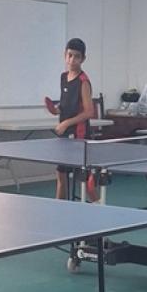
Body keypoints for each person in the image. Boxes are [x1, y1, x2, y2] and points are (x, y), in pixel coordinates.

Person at [44, 38, 93, 200]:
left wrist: (66, 123)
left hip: (79, 135)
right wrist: (56, 110)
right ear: (65, 55)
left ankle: (99, 206)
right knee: (61, 175)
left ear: (83, 59)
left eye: (77, 56)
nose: (72, 60)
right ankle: (59, 209)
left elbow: (89, 112)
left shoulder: (83, 82)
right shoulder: (63, 77)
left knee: (85, 181)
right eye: (70, 55)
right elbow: (65, 105)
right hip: (64, 136)